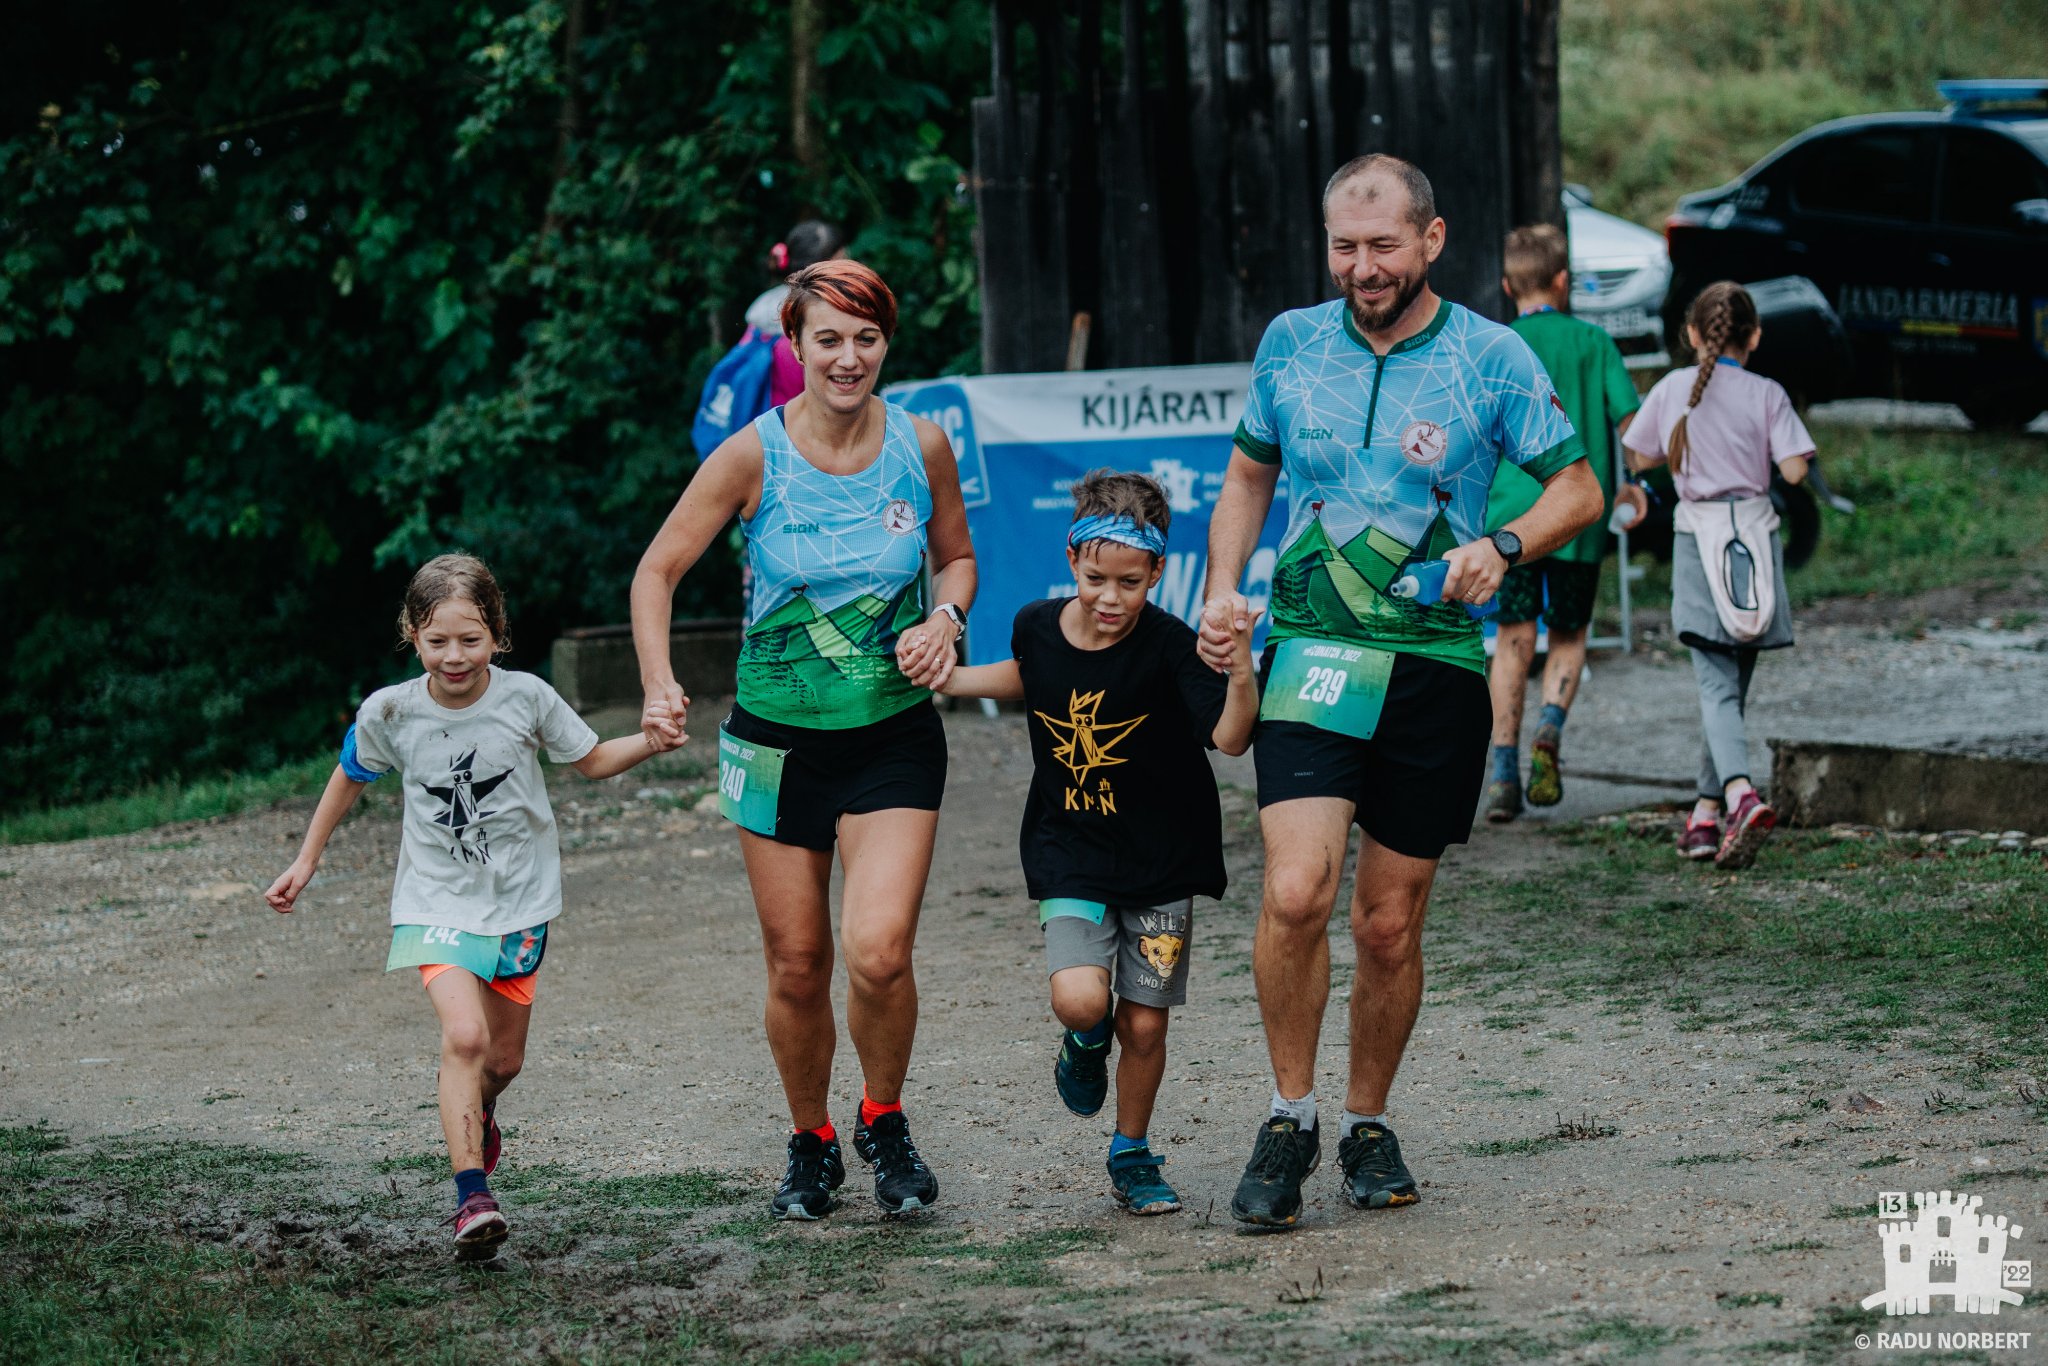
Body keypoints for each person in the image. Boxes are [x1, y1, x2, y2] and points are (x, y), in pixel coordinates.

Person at [1198, 154, 1603, 1228]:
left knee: (1385, 923)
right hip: (1313, 652)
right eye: (1343, 244)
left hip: (1434, 667)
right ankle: (1288, 1117)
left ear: (1430, 241)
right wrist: (1219, 588)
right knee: (1294, 891)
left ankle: (1366, 1123)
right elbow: (1247, 473)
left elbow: (1579, 485)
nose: (1361, 265)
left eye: (1382, 244)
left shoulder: (1491, 355)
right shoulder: (1290, 342)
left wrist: (1504, 542)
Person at [632, 258, 976, 1221]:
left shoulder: (923, 443)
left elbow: (956, 558)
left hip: (891, 738)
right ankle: (811, 1140)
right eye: (828, 337)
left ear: (885, 347)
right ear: (795, 346)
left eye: (866, 338)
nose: (848, 356)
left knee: (879, 952)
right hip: (774, 747)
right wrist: (660, 683)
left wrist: (946, 621)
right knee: (796, 964)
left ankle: (885, 1119)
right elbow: (656, 572)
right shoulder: (753, 455)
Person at [265, 553, 679, 1260]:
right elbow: (349, 775)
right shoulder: (390, 711)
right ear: (411, 634)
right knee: (464, 1038)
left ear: (498, 635)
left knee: (504, 1060)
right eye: (436, 641)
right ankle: (472, 1198)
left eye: (470, 639)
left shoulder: (527, 699)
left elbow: (591, 761)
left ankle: (479, 1113)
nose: (453, 657)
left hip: (519, 903)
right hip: (434, 902)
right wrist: (307, 859)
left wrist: (652, 739)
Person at [924, 471, 1260, 1216]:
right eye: (1096, 578)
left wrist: (1241, 673)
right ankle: (1083, 1044)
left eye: (1130, 583)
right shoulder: (1036, 624)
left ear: (1158, 574)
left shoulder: (1175, 648)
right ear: (1071, 558)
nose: (1111, 598)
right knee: (1083, 1003)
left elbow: (1232, 741)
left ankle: (1131, 1151)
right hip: (1068, 846)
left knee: (1145, 1021)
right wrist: (946, 678)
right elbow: (1032, 677)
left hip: (1162, 858)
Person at [1622, 281, 1813, 870]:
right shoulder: (1768, 393)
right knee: (1732, 691)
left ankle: (1734, 796)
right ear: (1754, 337)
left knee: (1715, 690)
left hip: (1698, 540)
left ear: (1692, 334)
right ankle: (1709, 814)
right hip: (1755, 543)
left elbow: (1639, 455)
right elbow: (1795, 472)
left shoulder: (1674, 388)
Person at [1481, 223, 1643, 821]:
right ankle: (1550, 727)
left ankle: (1502, 773)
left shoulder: (1494, 344)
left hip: (1510, 525)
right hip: (1577, 517)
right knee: (1569, 636)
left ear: (1506, 286)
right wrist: (1635, 480)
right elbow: (1635, 430)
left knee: (1512, 638)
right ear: (1563, 282)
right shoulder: (1594, 342)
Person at [746, 221, 849, 406]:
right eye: (842, 260)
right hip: (801, 425)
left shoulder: (764, 306)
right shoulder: (820, 316)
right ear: (823, 268)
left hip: (766, 421)